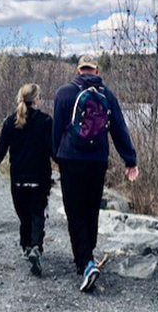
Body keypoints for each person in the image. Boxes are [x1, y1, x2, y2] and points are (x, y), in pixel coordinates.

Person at [52, 54, 139, 292]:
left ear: (78, 70)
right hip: (98, 160)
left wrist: (55, 157)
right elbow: (119, 129)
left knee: (75, 211)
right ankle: (87, 255)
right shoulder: (107, 95)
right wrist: (130, 160)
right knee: (91, 209)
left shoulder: (64, 93)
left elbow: (56, 129)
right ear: (97, 71)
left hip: (71, 159)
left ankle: (86, 262)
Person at [0, 83, 53, 276]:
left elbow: (0, 149)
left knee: (24, 214)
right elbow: (53, 150)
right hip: (39, 177)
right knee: (38, 214)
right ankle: (36, 247)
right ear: (37, 100)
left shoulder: (10, 122)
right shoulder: (46, 121)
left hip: (18, 178)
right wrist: (68, 169)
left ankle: (26, 246)